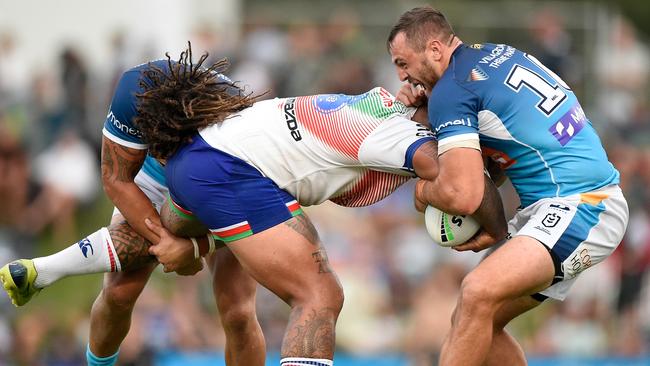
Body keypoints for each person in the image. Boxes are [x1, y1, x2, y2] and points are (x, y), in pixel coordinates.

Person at [121, 45, 508, 366]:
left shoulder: (382, 105)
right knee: (319, 296)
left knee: (223, 297)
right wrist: (496, 231)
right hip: (230, 168)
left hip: (211, 157)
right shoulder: (397, 133)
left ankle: (64, 265)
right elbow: (463, 185)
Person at [387, 6, 628, 366]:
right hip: (568, 204)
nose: (403, 77)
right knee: (478, 317)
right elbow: (495, 166)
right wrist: (425, 112)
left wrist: (421, 194)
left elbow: (462, 193)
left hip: (583, 204)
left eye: (403, 63)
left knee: (476, 292)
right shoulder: (494, 56)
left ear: (435, 50)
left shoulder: (453, 90)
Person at [0, 57, 267, 366]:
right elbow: (115, 179)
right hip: (150, 175)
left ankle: (46, 269)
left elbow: (256, 219)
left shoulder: (244, 131)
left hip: (221, 177)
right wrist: (168, 244)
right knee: (118, 294)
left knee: (238, 311)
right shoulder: (132, 92)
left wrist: (192, 247)